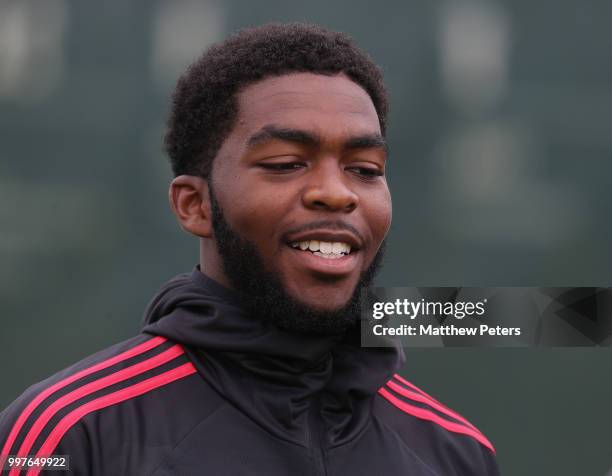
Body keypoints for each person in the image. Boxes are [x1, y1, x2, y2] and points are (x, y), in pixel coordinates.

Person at [0, 23, 499, 475]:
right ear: (194, 205)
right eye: (285, 163)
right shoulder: (69, 434)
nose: (337, 192)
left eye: (365, 169)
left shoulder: (456, 452)